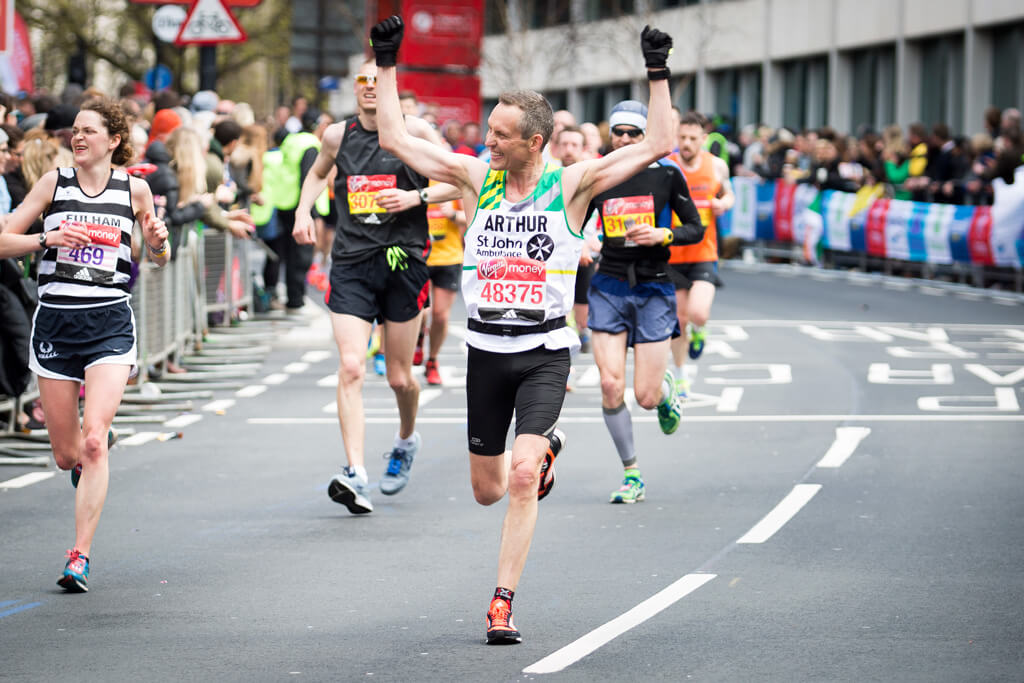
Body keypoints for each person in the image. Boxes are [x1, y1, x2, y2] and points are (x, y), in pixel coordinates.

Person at [369, 15, 676, 644]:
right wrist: (385, 58)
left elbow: (657, 142)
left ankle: (501, 603)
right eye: (488, 132)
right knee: (486, 490)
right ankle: (544, 456)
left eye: (502, 136)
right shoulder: (475, 180)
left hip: (544, 352)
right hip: (486, 353)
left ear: (535, 142)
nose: (489, 143)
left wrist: (657, 71)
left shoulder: (571, 186)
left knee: (519, 476)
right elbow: (397, 138)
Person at [0, 98, 169, 592]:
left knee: (94, 440)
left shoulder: (135, 189)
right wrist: (44, 241)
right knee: (66, 454)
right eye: (74, 130)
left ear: (113, 141)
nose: (78, 138)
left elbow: (158, 256)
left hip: (110, 322)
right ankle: (85, 460)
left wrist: (157, 237)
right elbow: (3, 238)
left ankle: (80, 555)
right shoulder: (53, 183)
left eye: (89, 131)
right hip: (55, 324)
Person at [293, 60, 453, 515]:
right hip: (351, 263)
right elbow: (319, 173)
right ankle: (355, 472)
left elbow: (462, 178)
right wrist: (305, 211)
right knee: (352, 367)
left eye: (375, 80)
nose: (368, 88)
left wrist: (414, 197)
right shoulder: (336, 136)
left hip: (404, 262)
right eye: (361, 81)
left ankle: (406, 440)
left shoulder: (415, 133)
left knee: (401, 377)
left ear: (389, 86)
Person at [585, 101, 703, 504]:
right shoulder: (596, 175)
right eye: (618, 132)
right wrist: (584, 239)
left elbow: (694, 228)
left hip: (653, 288)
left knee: (646, 397)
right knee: (609, 383)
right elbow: (572, 219)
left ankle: (666, 391)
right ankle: (631, 473)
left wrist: (663, 235)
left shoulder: (668, 175)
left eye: (634, 133)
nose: (624, 139)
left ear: (646, 137)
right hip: (608, 285)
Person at [667, 111, 734, 397]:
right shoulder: (668, 166)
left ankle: (700, 329)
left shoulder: (716, 166)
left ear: (703, 139)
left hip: (704, 251)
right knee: (679, 319)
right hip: (672, 253)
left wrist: (724, 204)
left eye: (693, 138)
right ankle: (681, 375)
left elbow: (729, 194)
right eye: (682, 138)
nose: (687, 143)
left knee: (698, 313)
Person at [422, 180, 466, 385]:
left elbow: (474, 217)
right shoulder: (412, 177)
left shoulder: (453, 181)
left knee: (439, 315)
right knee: (419, 311)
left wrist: (453, 214)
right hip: (418, 255)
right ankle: (417, 341)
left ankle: (432, 360)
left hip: (448, 257)